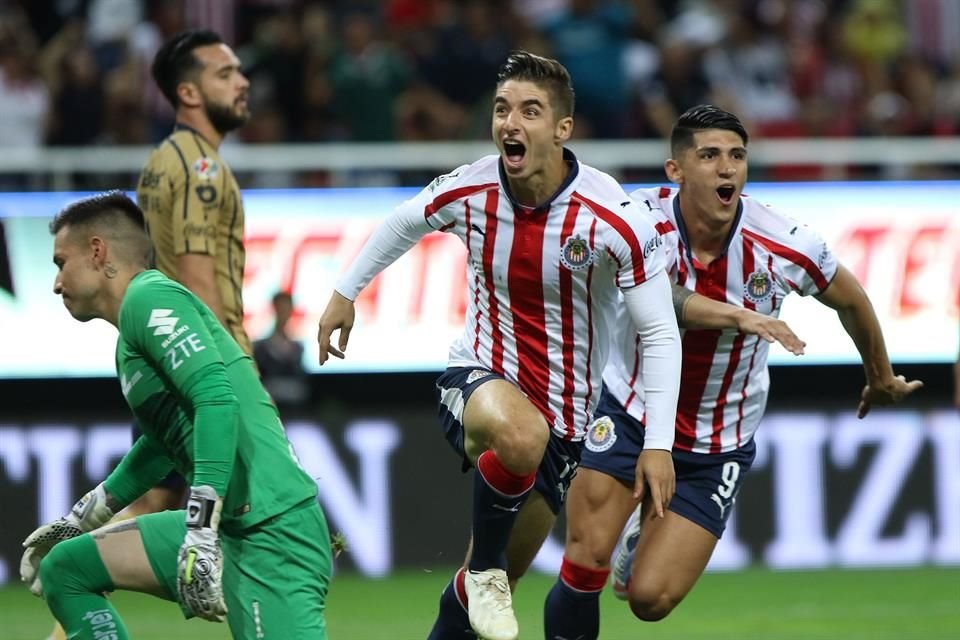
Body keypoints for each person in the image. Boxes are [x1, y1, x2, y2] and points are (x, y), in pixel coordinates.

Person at [316, 52, 798, 640]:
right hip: (479, 379)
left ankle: (483, 577)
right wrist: (345, 293)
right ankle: (489, 570)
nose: (510, 124)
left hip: (568, 424)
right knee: (520, 439)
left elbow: (658, 333)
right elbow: (401, 222)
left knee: (478, 605)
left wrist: (657, 445)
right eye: (501, 110)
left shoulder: (613, 217)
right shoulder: (471, 188)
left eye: (529, 111)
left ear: (562, 129)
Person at [543, 104, 924, 640]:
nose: (727, 169)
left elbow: (852, 299)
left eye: (737, 156)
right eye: (710, 156)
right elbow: (659, 299)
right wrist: (741, 317)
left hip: (717, 439)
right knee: (584, 562)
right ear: (675, 171)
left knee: (651, 600)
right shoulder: (638, 222)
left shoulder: (785, 242)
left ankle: (641, 539)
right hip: (629, 410)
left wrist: (880, 377)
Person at [21, 192, 332, 639]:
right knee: (66, 569)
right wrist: (81, 518)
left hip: (270, 531)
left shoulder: (148, 297)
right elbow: (163, 443)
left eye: (60, 262)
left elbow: (215, 400)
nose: (56, 282)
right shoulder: (130, 337)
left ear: (97, 251)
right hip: (222, 528)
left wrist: (200, 526)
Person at [131, 28, 253, 517]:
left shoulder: (158, 163)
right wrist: (235, 371)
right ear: (188, 92)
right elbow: (197, 274)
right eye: (225, 74)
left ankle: (61, 563)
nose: (242, 82)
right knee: (244, 510)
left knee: (159, 502)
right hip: (201, 363)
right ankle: (62, 568)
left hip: (163, 357)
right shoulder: (203, 167)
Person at [253, 291, 310, 412]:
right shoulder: (260, 347)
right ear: (274, 308)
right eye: (281, 307)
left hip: (296, 411)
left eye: (287, 307)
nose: (284, 312)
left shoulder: (298, 348)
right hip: (269, 410)